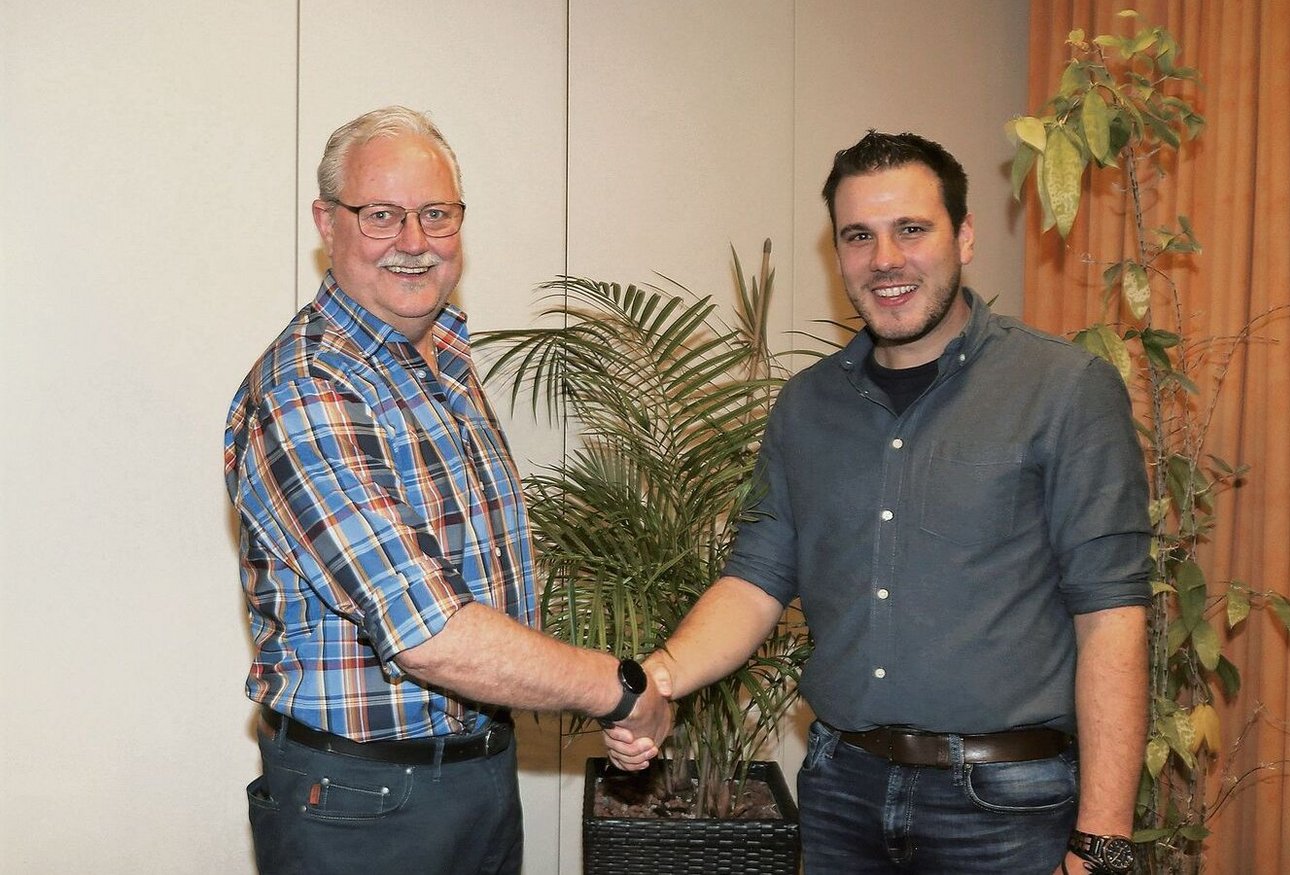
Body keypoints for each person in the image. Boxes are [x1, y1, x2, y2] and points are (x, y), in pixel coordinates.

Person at [604, 131, 1151, 875]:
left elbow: (1111, 616)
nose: (884, 259)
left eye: (911, 230)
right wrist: (657, 677)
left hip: (1005, 806)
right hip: (842, 792)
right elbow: (757, 578)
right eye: (859, 236)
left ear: (963, 235)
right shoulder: (805, 407)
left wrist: (1101, 842)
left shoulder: (1063, 389)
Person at [224, 106, 667, 875]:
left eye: (436, 214)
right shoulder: (308, 387)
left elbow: (484, 581)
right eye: (382, 215)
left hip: (475, 776)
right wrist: (616, 687)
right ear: (327, 223)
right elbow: (425, 627)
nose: (415, 241)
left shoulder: (443, 359)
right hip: (364, 807)